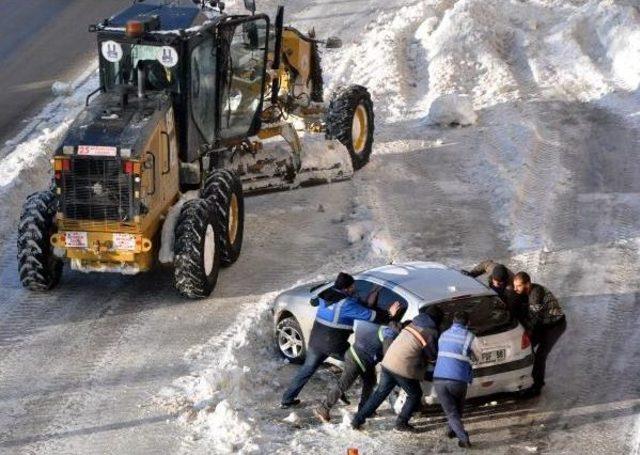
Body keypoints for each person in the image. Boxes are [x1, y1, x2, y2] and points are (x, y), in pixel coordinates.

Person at [280, 272, 401, 408]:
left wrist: (373, 292)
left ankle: (287, 399)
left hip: (316, 342)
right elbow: (371, 315)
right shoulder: (346, 304)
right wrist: (390, 313)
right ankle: (358, 403)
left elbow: (314, 300)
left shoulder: (325, 295)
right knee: (362, 367)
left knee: (307, 370)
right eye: (353, 287)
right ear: (346, 289)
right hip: (335, 344)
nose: (355, 289)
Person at [351, 306, 443, 432]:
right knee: (415, 395)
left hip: (388, 362)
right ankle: (401, 422)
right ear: (437, 320)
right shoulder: (431, 332)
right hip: (403, 367)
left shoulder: (412, 324)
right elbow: (432, 356)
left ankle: (357, 419)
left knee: (379, 393)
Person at [314, 319, 404, 423]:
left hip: (365, 359)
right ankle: (323, 408)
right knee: (344, 384)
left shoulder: (386, 328)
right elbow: (388, 358)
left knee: (370, 382)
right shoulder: (390, 336)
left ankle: (364, 409)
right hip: (356, 359)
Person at [513, 271, 566, 397]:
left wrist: (524, 335)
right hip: (543, 325)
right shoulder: (527, 291)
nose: (515, 289)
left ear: (528, 284)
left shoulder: (535, 295)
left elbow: (533, 320)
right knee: (526, 349)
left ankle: (537, 386)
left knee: (540, 356)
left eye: (518, 286)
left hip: (554, 326)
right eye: (514, 286)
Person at [433, 311, 482, 449]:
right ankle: (464, 438)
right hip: (458, 380)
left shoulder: (443, 335)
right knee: (455, 411)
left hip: (439, 379)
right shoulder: (470, 337)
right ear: (468, 323)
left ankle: (451, 430)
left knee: (452, 411)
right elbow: (478, 357)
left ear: (453, 322)